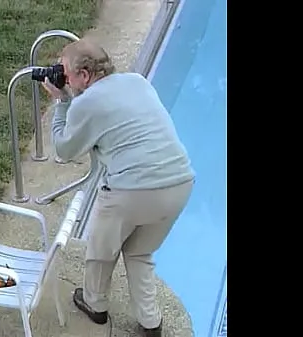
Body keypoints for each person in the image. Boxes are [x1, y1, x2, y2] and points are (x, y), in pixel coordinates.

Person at [41, 35, 195, 337]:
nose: (64, 80)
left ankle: (95, 304)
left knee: (101, 249)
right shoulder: (137, 81)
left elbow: (64, 149)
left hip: (132, 190)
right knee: (139, 253)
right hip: (179, 183)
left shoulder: (85, 102)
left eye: (66, 73)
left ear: (84, 75)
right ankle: (151, 324)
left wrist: (61, 102)